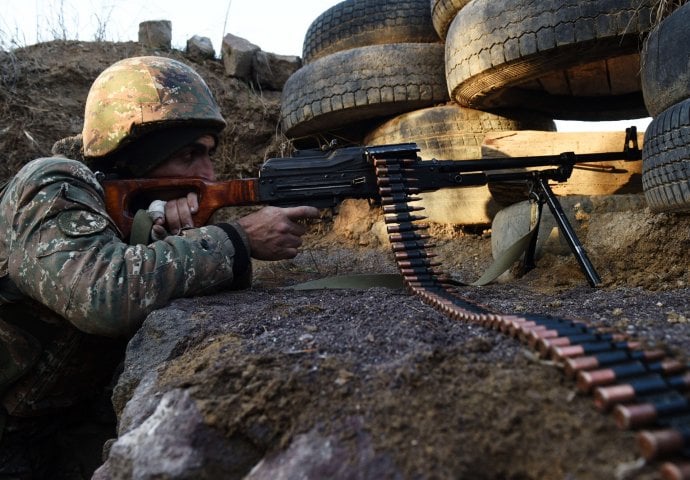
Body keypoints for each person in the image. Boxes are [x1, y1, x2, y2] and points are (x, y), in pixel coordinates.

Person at [0, 55, 319, 479]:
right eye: (190, 154)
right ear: (134, 155)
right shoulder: (50, 184)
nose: (208, 172)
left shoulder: (127, 213)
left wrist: (165, 238)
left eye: (208, 154)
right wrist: (238, 239)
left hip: (55, 424)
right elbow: (105, 295)